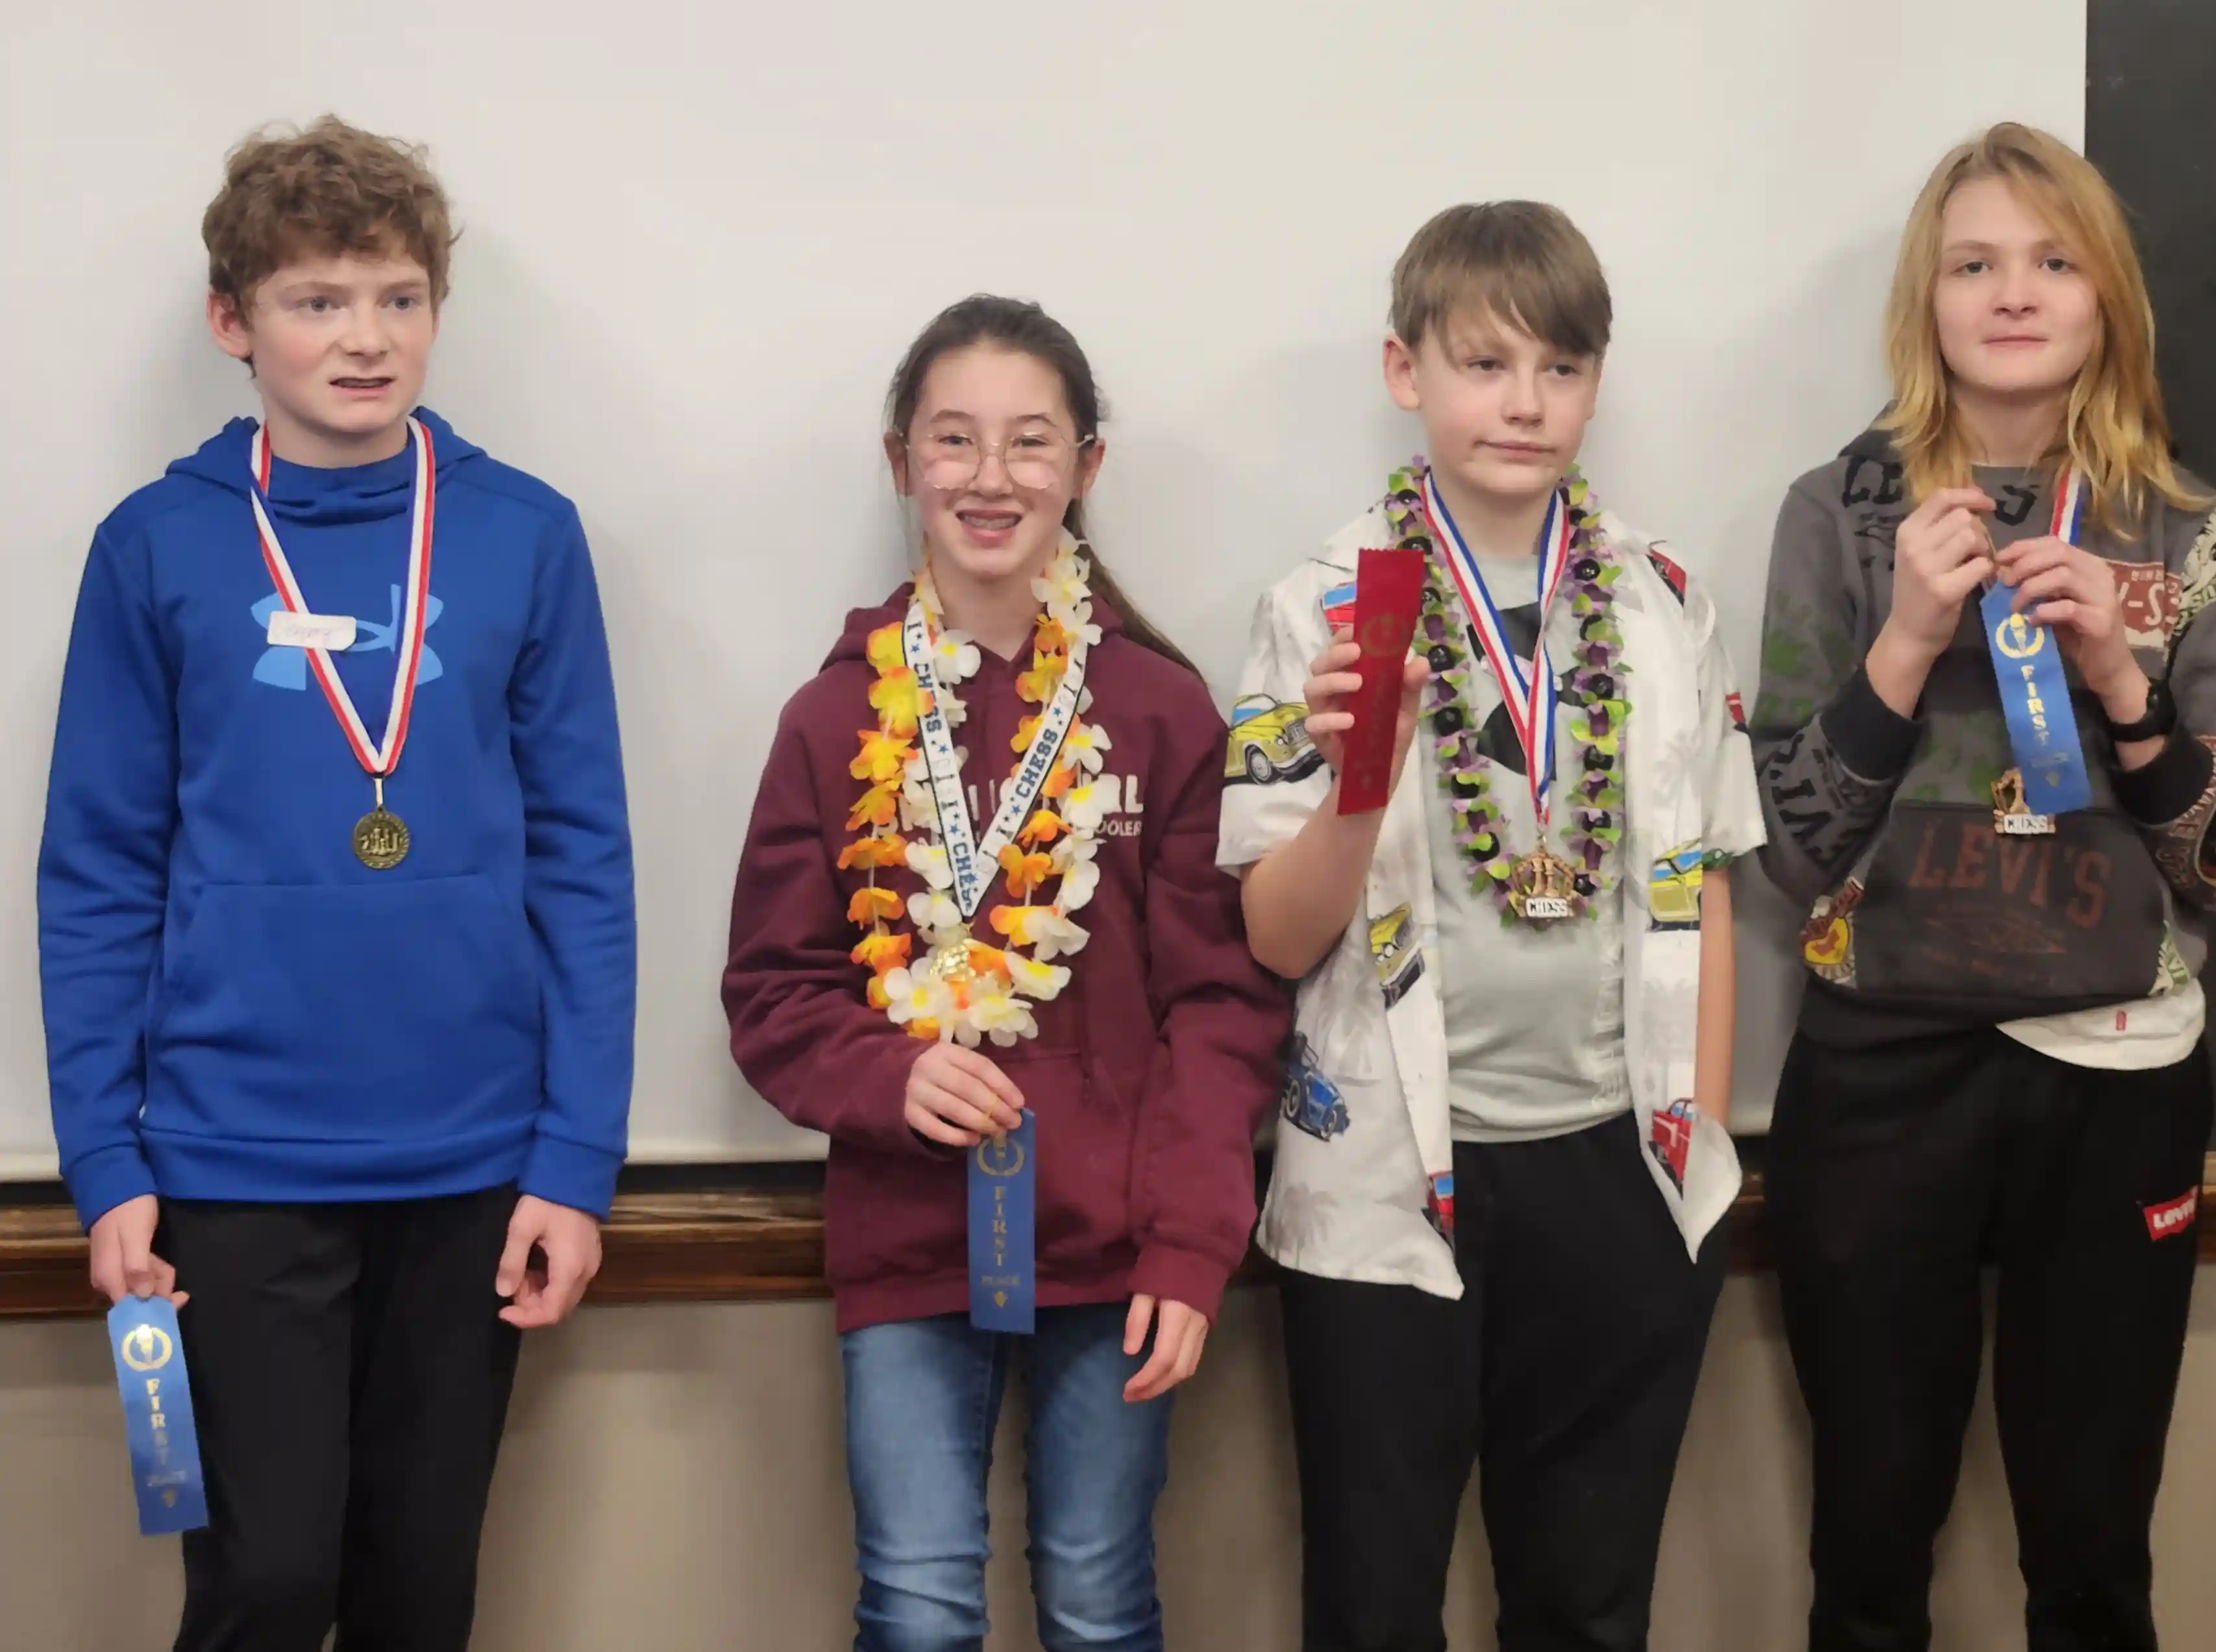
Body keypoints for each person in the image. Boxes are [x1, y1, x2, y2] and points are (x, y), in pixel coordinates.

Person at [38, 116, 637, 1651]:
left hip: (472, 1158)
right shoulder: (156, 548)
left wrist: (575, 1156)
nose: (365, 338)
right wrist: (103, 1157)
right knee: (266, 1581)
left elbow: (584, 865)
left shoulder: (524, 535)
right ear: (233, 322)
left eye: (397, 297)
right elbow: (97, 874)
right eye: (317, 300)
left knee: (416, 1595)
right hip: (232, 1160)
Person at [1752, 121, 2216, 1651]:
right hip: (1879, 1067)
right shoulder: (1835, 512)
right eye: (1972, 263)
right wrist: (1903, 643)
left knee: (2093, 1554)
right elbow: (1788, 847)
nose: (2011, 293)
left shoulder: (2184, 529)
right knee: (1866, 1549)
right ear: (1923, 299)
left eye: (2051, 261)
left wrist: (2123, 683)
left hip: (2115, 1074)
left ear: (2104, 295)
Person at [1221, 203, 1765, 1651]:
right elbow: (1274, 939)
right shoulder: (1321, 609)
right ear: (1404, 371)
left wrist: (1697, 1151)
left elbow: (1706, 883)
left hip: (1618, 1171)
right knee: (1373, 1605)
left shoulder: (1663, 600)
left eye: (1559, 367)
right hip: (1392, 1186)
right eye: (1483, 363)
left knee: (1588, 1607)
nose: (1524, 403)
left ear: (1595, 383)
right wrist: (1364, 774)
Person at [721, 295, 1286, 1652]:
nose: (990, 476)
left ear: (1085, 466)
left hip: (1120, 1251)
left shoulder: (1159, 711)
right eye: (954, 439)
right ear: (900, 461)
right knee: (917, 1611)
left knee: (1098, 1602)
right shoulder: (834, 717)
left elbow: (1220, 1006)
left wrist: (1193, 1244)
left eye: (1030, 441)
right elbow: (774, 989)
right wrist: (889, 1076)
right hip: (910, 1241)